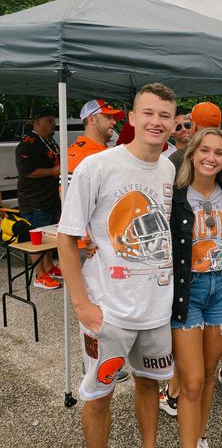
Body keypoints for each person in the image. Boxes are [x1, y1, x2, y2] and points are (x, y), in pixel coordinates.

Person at [57, 83, 177, 448]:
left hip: (156, 310)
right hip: (108, 311)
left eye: (164, 114)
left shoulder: (168, 169)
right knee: (98, 393)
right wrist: (82, 306)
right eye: (148, 112)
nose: (155, 122)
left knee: (149, 385)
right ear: (131, 117)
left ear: (174, 121)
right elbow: (66, 240)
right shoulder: (97, 166)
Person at [170, 127, 222, 448]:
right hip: (189, 292)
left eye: (218, 152)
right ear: (192, 154)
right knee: (192, 382)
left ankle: (200, 439)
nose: (211, 158)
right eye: (205, 151)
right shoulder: (176, 196)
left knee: (211, 372)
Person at [68, 99, 129, 384]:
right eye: (108, 117)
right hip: (87, 247)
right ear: (92, 119)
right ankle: (94, 368)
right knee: (93, 312)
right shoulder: (78, 153)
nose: (113, 122)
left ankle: (110, 362)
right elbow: (66, 197)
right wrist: (84, 237)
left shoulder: (106, 151)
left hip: (106, 244)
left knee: (110, 305)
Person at [15, 105, 62, 289]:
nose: (53, 124)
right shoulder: (27, 144)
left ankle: (49, 267)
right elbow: (26, 171)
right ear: (37, 123)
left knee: (50, 235)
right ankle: (39, 275)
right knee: (37, 237)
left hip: (50, 197)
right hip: (34, 199)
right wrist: (52, 171)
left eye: (54, 120)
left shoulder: (49, 140)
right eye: (49, 121)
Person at [169, 102, 222, 171]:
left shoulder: (177, 158)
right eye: (178, 127)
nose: (184, 129)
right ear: (219, 127)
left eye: (188, 125)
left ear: (194, 126)